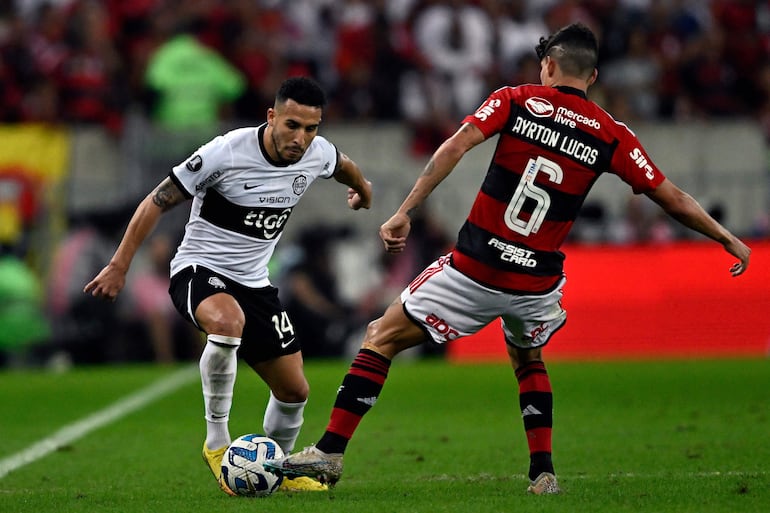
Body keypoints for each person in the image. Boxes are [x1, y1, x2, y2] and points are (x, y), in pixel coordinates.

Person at [263, 23, 751, 495]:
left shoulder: (516, 99)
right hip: (536, 283)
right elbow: (670, 197)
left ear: (549, 66)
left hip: (476, 267)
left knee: (380, 336)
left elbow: (454, 147)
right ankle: (543, 473)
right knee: (527, 357)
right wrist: (726, 236)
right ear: (594, 78)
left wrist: (405, 211)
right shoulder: (611, 134)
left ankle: (330, 451)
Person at [84, 76, 373, 494]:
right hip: (199, 270)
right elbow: (156, 200)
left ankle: (278, 470)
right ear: (271, 116)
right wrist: (118, 265)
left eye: (311, 128)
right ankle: (217, 442)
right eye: (292, 125)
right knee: (227, 322)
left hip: (255, 283)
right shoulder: (226, 151)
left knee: (294, 390)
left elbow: (345, 166)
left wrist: (362, 191)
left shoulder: (317, 154)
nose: (301, 137)